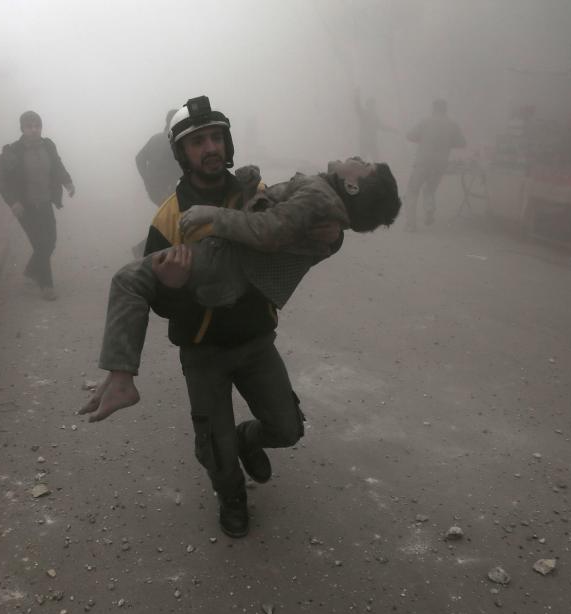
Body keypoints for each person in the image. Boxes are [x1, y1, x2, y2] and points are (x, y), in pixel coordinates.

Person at [85, 96, 396, 539]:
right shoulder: (168, 216)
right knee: (216, 448)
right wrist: (173, 289)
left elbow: (296, 236)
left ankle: (249, 440)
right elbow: (154, 302)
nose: (209, 148)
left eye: (215, 137)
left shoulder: (250, 192)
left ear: (226, 143)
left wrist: (334, 239)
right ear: (182, 153)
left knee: (287, 428)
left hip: (255, 341)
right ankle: (231, 496)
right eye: (197, 142)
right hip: (203, 350)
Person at [80, 157, 399, 423]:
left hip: (227, 264)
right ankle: (119, 375)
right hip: (228, 285)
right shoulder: (327, 205)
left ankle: (122, 381)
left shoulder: (320, 197)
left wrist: (212, 214)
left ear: (353, 185)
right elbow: (280, 221)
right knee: (140, 281)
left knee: (128, 279)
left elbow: (270, 230)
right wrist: (250, 188)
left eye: (365, 165)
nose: (359, 158)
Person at [0, 111, 75, 300]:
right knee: (41, 243)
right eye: (29, 126)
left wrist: (68, 182)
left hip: (45, 202)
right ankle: (47, 285)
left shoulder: (48, 145)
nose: (34, 130)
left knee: (51, 241)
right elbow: (0, 180)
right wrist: (13, 202)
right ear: (22, 128)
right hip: (25, 207)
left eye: (37, 126)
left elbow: (57, 165)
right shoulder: (12, 151)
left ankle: (31, 269)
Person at [403, 98, 466, 230]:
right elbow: (462, 143)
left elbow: (410, 136)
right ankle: (429, 209)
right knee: (430, 189)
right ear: (445, 109)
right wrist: (448, 142)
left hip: (423, 162)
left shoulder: (425, 122)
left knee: (412, 191)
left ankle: (411, 224)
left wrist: (423, 139)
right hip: (440, 164)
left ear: (433, 108)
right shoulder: (452, 124)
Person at [135, 109, 183, 207]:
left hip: (156, 191)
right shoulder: (178, 140)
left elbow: (139, 159)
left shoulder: (155, 138)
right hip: (173, 191)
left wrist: (147, 179)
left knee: (166, 215)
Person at [353, 88, 394, 162]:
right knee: (363, 160)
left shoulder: (374, 117)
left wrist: (392, 129)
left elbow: (382, 126)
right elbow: (358, 107)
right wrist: (357, 95)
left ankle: (375, 171)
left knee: (375, 160)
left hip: (371, 141)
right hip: (365, 141)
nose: (373, 106)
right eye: (372, 105)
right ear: (368, 105)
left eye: (373, 105)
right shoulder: (364, 114)